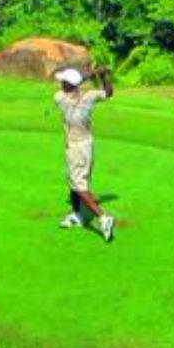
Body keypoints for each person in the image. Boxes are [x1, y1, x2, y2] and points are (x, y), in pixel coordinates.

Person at [52, 64, 116, 241]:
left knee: (79, 186)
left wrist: (91, 74)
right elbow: (108, 93)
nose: (60, 84)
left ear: (66, 85)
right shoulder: (90, 96)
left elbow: (73, 86)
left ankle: (103, 218)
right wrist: (103, 77)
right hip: (87, 144)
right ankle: (78, 215)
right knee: (74, 181)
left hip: (76, 147)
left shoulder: (59, 98)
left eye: (63, 81)